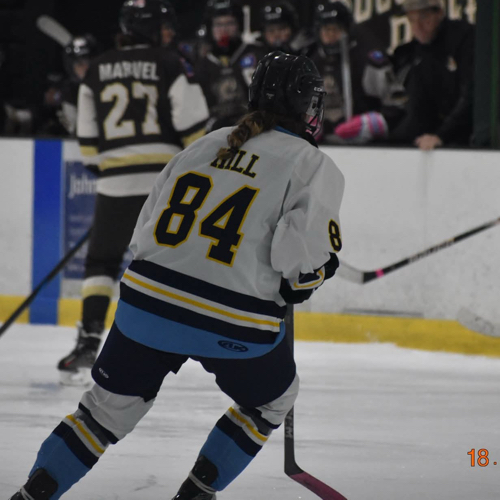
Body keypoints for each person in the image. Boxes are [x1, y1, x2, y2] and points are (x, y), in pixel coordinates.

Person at [9, 51, 344, 500]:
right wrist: (318, 271)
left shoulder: (205, 144)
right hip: (232, 319)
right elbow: (298, 272)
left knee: (103, 413)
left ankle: (30, 496)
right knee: (273, 400)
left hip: (144, 304)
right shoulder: (312, 164)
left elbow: (142, 236)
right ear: (306, 104)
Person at [56, 0, 209, 386]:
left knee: (101, 264)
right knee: (172, 262)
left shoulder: (96, 69)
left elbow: (88, 145)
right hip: (164, 184)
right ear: (149, 28)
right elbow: (195, 130)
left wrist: (114, 175)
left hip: (114, 184)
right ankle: (182, 338)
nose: (169, 33)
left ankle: (89, 338)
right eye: (164, 26)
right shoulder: (171, 63)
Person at [388, 0, 475, 150]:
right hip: (433, 135)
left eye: (424, 18)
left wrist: (441, 135)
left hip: (469, 138)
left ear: (439, 13)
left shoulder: (464, 38)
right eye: (411, 20)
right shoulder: (415, 52)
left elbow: (471, 95)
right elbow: (417, 106)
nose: (417, 27)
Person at [305, 0, 385, 143]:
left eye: (336, 29)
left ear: (347, 30)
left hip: (366, 144)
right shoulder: (312, 63)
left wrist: (374, 122)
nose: (331, 35)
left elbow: (396, 103)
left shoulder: (366, 60)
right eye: (326, 30)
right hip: (324, 145)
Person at [194, 0, 266, 131]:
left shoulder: (257, 55)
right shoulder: (203, 65)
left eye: (230, 23)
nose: (224, 30)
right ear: (210, 28)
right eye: (218, 24)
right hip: (217, 131)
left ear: (239, 25)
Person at [58, 34, 100, 136]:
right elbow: (75, 129)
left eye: (88, 63)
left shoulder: (104, 85)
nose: (85, 68)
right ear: (72, 67)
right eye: (80, 64)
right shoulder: (69, 91)